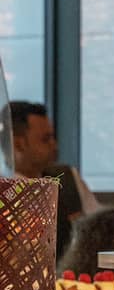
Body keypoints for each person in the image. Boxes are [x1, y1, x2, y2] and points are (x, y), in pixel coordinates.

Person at [7, 101, 101, 259]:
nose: (54, 145)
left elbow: (99, 226)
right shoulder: (6, 191)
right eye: (46, 139)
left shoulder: (67, 177)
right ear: (19, 144)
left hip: (71, 280)